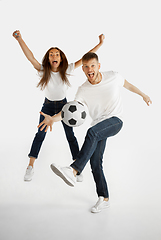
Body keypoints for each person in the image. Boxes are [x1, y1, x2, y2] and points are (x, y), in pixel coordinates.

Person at [37, 52, 152, 213]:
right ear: (83, 69)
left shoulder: (113, 76)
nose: (89, 69)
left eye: (92, 65)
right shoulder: (83, 90)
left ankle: (74, 170)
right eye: (85, 67)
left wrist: (143, 94)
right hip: (99, 126)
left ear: (98, 66)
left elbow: (128, 85)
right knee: (95, 163)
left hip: (115, 120)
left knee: (92, 132)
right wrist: (52, 119)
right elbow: (69, 110)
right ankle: (104, 198)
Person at [13, 30, 105, 181]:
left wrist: (100, 44)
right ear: (48, 59)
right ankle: (30, 166)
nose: (54, 56)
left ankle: (77, 169)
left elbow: (85, 58)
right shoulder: (43, 71)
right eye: (51, 54)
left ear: (61, 58)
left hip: (65, 107)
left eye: (57, 54)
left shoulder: (67, 69)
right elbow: (30, 57)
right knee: (40, 135)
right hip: (47, 107)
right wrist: (19, 39)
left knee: (70, 136)